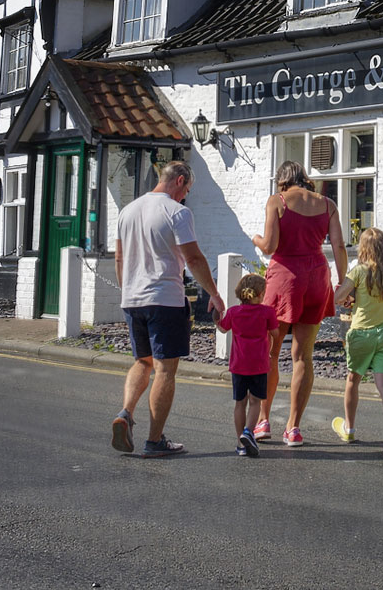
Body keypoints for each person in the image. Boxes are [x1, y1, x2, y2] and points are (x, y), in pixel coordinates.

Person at [110, 160, 225, 458]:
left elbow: (119, 259)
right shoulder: (178, 212)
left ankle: (125, 413)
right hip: (165, 299)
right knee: (164, 369)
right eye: (187, 188)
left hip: (132, 300)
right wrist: (214, 294)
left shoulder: (127, 211)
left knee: (142, 362)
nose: (186, 194)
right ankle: (154, 440)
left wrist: (128, 291)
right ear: (180, 180)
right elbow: (194, 259)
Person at [253, 160, 347, 446]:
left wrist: (255, 239)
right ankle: (293, 428)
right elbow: (340, 246)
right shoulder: (328, 204)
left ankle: (263, 420)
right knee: (303, 356)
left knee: (270, 352)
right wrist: (343, 283)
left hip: (285, 278)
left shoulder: (277, 201)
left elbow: (270, 246)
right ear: (305, 179)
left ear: (282, 181)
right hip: (317, 276)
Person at [330, 226, 383, 455]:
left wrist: (347, 298)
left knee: (353, 380)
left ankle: (349, 428)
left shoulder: (359, 271)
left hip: (361, 333)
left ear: (364, 247)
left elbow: (338, 297)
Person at [216, 272, 278, 457]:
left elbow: (222, 327)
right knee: (255, 401)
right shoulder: (267, 312)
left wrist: (216, 317)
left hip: (238, 364)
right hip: (259, 363)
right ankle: (248, 432)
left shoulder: (234, 312)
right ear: (260, 294)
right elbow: (275, 333)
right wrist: (271, 349)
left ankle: (240, 443)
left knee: (239, 403)